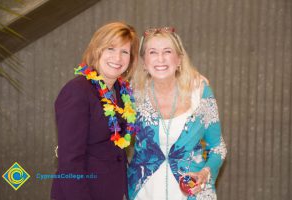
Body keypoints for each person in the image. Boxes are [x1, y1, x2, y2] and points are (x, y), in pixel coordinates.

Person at [127, 27, 227, 200]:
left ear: (179, 59)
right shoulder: (132, 95)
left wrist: (204, 174)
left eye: (167, 51)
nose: (160, 59)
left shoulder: (200, 92)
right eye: (152, 52)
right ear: (143, 61)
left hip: (193, 192)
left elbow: (218, 147)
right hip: (143, 192)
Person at [51, 22, 139, 200]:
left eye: (124, 52)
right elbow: (70, 162)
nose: (118, 58)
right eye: (111, 49)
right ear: (96, 50)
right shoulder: (77, 91)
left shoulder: (122, 93)